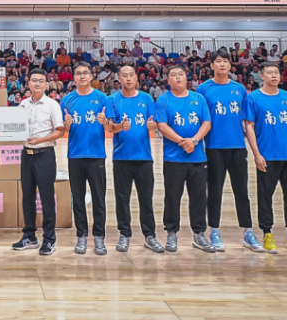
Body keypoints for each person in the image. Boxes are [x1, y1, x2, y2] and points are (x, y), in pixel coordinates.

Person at [195, 50, 261, 252]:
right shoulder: (203, 89)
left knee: (242, 191)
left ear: (230, 66)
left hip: (238, 147)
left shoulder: (239, 89)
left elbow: (247, 121)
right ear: (212, 65)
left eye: (225, 61)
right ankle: (214, 231)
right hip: (214, 147)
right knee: (214, 192)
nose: (222, 64)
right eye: (218, 61)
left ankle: (248, 231)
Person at [242, 62, 287, 254]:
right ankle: (267, 233)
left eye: (276, 72)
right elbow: (249, 127)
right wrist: (257, 154)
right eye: (269, 72)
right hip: (267, 156)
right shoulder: (253, 98)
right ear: (261, 76)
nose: (273, 75)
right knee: (265, 197)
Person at [155, 65, 215, 253]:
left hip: (197, 157)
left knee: (199, 197)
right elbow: (162, 126)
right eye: (173, 75)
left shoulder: (198, 99)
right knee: (172, 197)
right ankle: (171, 232)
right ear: (168, 80)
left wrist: (194, 140)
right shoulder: (163, 100)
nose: (178, 77)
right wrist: (183, 141)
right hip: (173, 159)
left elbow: (207, 123)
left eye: (181, 74)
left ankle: (199, 233)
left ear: (186, 77)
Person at [104, 64, 163, 253]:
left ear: (136, 79)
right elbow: (110, 128)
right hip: (121, 157)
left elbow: (154, 123)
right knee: (122, 199)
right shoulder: (112, 100)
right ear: (119, 79)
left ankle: (150, 235)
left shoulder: (146, 99)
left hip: (144, 157)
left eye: (131, 75)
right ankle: (124, 234)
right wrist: (120, 126)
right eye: (124, 75)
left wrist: (154, 126)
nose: (128, 78)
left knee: (146, 199)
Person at [12, 68, 64, 255]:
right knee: (27, 198)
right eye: (34, 80)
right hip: (27, 155)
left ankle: (49, 239)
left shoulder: (52, 105)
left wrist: (40, 140)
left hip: (45, 155)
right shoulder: (23, 104)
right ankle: (29, 236)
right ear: (28, 83)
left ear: (46, 84)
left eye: (41, 81)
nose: (37, 84)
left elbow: (60, 130)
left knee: (47, 198)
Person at [61, 62, 110, 256]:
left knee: (99, 199)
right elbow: (63, 130)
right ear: (74, 77)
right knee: (78, 198)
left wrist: (105, 122)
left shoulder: (102, 98)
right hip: (75, 155)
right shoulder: (67, 100)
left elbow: (110, 126)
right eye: (78, 73)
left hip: (97, 156)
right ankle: (81, 235)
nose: (82, 76)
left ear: (91, 76)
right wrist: (66, 125)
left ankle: (99, 237)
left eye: (85, 73)